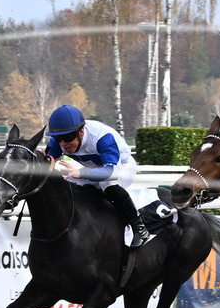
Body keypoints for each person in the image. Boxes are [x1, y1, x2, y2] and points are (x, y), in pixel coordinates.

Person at [44, 104, 149, 247]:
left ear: (81, 132)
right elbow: (47, 161)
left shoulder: (103, 137)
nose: (63, 144)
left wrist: (81, 172)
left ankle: (140, 228)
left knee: (107, 184)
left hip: (122, 167)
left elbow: (112, 172)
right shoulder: (61, 142)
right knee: (67, 184)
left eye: (68, 138)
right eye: (58, 138)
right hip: (93, 168)